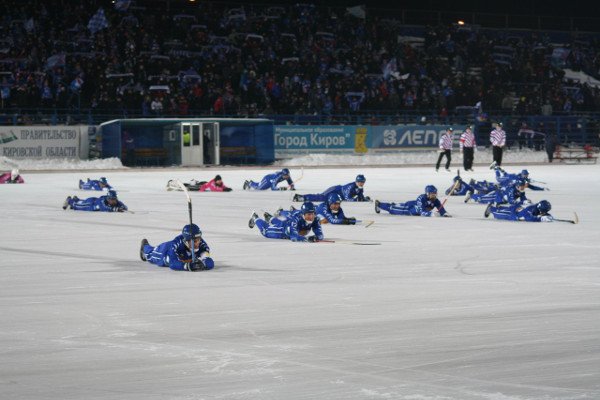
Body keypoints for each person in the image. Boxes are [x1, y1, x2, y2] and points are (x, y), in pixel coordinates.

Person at [140, 224, 214, 271]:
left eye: (199, 239)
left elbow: (209, 261)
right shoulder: (174, 245)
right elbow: (173, 264)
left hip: (184, 258)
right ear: (186, 241)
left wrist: (203, 264)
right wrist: (187, 266)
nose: (198, 243)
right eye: (194, 241)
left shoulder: (203, 245)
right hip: (165, 251)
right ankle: (145, 246)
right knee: (150, 255)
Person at [249, 201, 324, 242]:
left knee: (282, 222)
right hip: (283, 230)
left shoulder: (316, 219)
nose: (311, 217)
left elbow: (320, 234)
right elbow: (294, 236)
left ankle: (270, 218)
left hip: (288, 224)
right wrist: (307, 239)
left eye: (313, 214)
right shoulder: (296, 219)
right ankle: (255, 218)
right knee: (265, 231)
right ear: (303, 214)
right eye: (309, 214)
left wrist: (316, 237)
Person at [374, 185, 451, 217]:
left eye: (435, 194)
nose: (434, 195)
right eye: (432, 194)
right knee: (392, 209)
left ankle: (395, 204)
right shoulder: (421, 198)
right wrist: (431, 214)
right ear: (427, 193)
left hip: (413, 211)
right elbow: (422, 212)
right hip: (407, 209)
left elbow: (441, 209)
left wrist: (444, 213)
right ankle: (379, 205)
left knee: (394, 206)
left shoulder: (436, 200)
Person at [293, 174, 370, 202]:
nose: (362, 183)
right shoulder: (351, 186)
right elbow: (347, 198)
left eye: (363, 182)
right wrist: (355, 200)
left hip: (338, 194)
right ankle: (301, 197)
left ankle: (303, 197)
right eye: (360, 182)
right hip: (335, 190)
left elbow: (360, 197)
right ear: (356, 181)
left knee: (321, 198)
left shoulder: (360, 188)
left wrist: (364, 199)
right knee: (321, 197)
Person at [485, 200, 554, 222]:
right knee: (499, 214)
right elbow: (528, 218)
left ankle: (498, 207)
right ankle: (491, 208)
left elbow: (544, 214)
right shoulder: (530, 209)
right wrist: (540, 219)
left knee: (505, 209)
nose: (545, 212)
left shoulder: (538, 208)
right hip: (514, 214)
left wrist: (549, 216)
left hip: (517, 210)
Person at [63, 189, 128, 212]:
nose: (114, 201)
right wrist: (115, 209)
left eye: (115, 199)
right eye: (112, 199)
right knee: (76, 206)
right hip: (90, 204)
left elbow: (124, 206)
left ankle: (76, 199)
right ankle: (69, 200)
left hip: (94, 201)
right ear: (108, 198)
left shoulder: (115, 202)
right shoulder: (103, 202)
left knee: (80, 202)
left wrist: (122, 207)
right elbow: (104, 208)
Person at [166, 175, 233, 192]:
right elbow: (214, 189)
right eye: (219, 180)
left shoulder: (220, 183)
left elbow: (223, 186)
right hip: (200, 187)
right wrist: (223, 190)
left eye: (220, 180)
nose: (220, 181)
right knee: (188, 187)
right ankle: (172, 184)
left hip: (203, 185)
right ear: (216, 180)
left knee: (189, 185)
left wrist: (226, 188)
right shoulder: (212, 183)